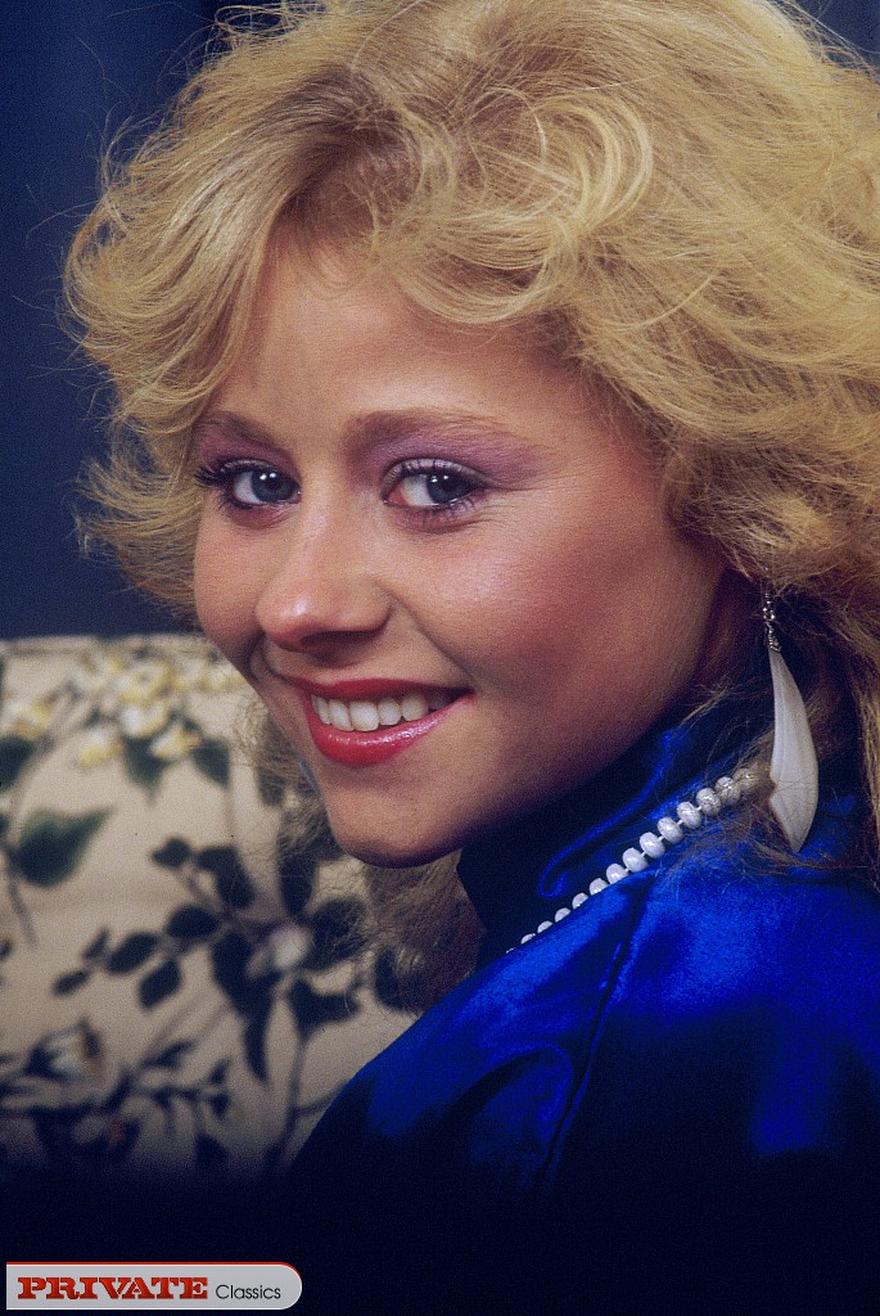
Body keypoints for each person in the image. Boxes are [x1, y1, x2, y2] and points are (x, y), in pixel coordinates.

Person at [65, 0, 880, 1310]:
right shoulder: (754, 894)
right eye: (253, 480)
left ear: (749, 495)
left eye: (436, 483)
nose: (298, 602)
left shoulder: (626, 1079)